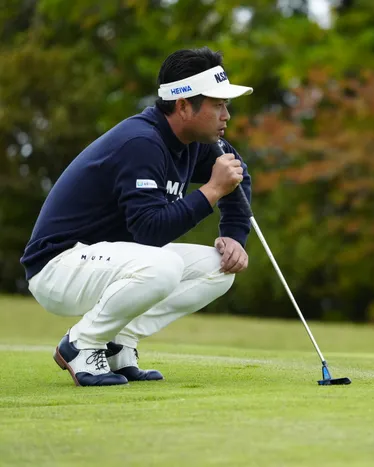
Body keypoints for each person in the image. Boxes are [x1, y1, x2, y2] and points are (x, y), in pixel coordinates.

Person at [20, 47, 254, 387]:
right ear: (183, 106)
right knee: (164, 265)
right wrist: (212, 190)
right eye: (217, 105)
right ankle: (81, 344)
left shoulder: (196, 142)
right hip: (58, 265)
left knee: (220, 268)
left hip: (110, 260)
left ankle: (117, 343)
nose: (226, 116)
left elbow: (237, 173)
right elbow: (149, 231)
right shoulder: (141, 142)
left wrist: (234, 234)